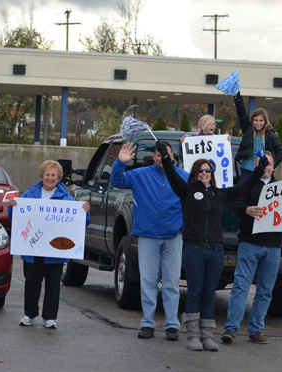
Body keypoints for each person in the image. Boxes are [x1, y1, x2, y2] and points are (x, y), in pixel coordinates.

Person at [158, 141, 268, 351]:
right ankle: (192, 335)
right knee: (195, 292)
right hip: (194, 249)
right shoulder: (187, 190)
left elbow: (245, 187)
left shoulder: (220, 194)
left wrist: (259, 169)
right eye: (201, 170)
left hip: (216, 249)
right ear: (195, 173)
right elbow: (172, 175)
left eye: (208, 170)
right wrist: (166, 158)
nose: (205, 173)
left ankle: (207, 335)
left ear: (212, 173)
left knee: (210, 293)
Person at [110, 141, 189, 341]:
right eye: (158, 154)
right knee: (148, 282)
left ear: (173, 156)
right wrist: (120, 162)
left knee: (171, 284)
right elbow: (117, 180)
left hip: (173, 237)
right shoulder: (140, 175)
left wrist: (182, 228)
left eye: (166, 154)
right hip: (147, 237)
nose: (161, 157)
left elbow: (197, 198)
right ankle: (147, 323)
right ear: (153, 157)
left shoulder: (183, 177)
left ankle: (172, 325)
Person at [8, 160, 90, 329]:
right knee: (31, 282)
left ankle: (50, 317)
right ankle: (29, 314)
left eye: (53, 175)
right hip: (32, 249)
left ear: (59, 178)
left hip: (55, 253)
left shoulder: (67, 199)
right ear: (42, 175)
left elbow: (80, 223)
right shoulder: (29, 195)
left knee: (53, 285)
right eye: (47, 174)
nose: (50, 178)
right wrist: (12, 207)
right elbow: (14, 219)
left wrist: (85, 213)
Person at [221, 151, 282, 345]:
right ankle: (230, 329)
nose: (266, 167)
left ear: (274, 166)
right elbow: (234, 204)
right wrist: (247, 210)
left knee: (265, 291)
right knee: (241, 286)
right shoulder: (247, 185)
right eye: (261, 163)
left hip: (273, 246)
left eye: (269, 164)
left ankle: (256, 330)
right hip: (249, 243)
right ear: (255, 166)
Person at [233, 92, 282, 180]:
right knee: (245, 193)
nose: (258, 123)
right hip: (246, 169)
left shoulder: (270, 135)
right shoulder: (247, 129)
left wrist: (271, 165)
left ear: (265, 121)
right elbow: (241, 113)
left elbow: (281, 152)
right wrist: (237, 97)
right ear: (252, 120)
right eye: (255, 120)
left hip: (263, 171)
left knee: (262, 193)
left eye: (261, 121)